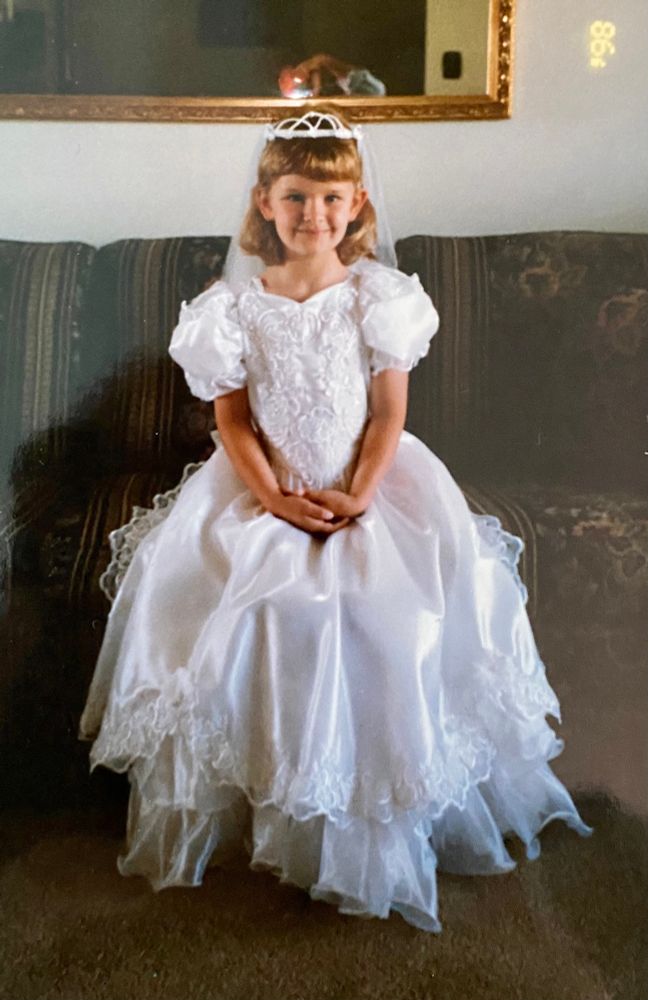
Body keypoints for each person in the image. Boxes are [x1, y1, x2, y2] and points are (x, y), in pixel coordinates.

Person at [78, 106, 593, 933]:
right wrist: (275, 497)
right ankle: (274, 816)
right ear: (264, 202)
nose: (312, 214)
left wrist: (357, 491)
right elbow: (233, 423)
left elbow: (388, 416)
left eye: (330, 197)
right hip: (262, 490)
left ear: (356, 205)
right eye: (294, 197)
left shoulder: (379, 299)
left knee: (395, 619)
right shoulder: (232, 307)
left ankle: (374, 831)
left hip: (370, 485)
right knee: (261, 611)